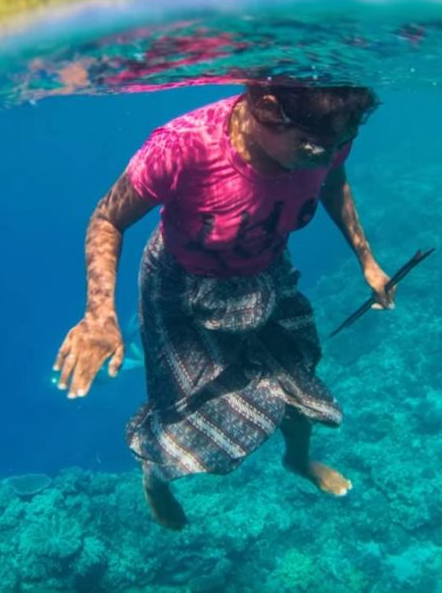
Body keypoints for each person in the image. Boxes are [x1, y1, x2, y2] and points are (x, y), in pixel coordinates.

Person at [53, 80, 395, 530]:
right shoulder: (182, 148)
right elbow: (108, 217)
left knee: (294, 383)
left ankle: (298, 461)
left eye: (342, 143)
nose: (325, 155)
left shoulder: (327, 139)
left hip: (266, 274)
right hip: (183, 293)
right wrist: (100, 314)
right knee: (180, 411)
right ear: (267, 108)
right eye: (313, 146)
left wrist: (367, 260)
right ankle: (155, 478)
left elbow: (333, 181)